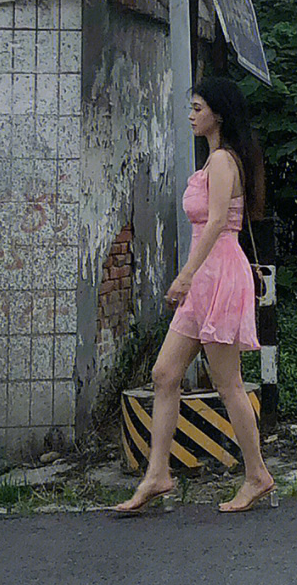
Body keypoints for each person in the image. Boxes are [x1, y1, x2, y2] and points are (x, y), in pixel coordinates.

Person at [114, 77, 276, 515]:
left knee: (228, 384)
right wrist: (190, 278)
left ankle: (257, 474)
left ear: (217, 114)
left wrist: (185, 276)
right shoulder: (212, 162)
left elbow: (221, 223)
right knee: (165, 374)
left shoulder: (223, 161)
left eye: (198, 107)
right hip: (204, 278)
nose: (191, 114)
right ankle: (158, 474)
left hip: (218, 274)